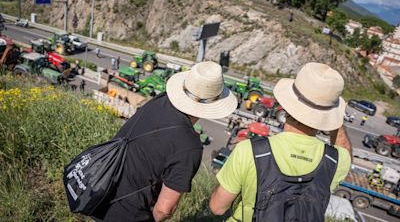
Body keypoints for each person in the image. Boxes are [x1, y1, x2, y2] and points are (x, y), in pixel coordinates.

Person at [91, 61, 237, 221]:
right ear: (214, 102)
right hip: (127, 215)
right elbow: (164, 209)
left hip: (100, 193)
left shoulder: (159, 101)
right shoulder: (190, 146)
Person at [210, 62, 352, 221]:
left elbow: (217, 208)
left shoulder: (249, 151)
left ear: (286, 106)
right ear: (329, 116)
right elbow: (344, 149)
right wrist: (334, 118)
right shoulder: (336, 161)